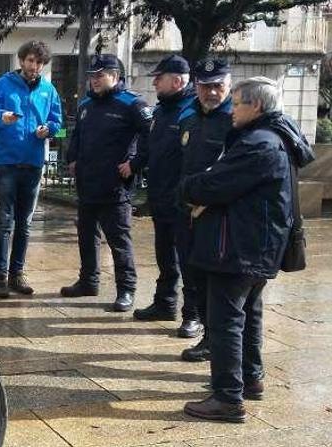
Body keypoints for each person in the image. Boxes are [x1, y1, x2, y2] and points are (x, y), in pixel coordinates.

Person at [181, 77, 314, 422]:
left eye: (237, 103)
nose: (232, 110)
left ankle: (227, 398)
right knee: (248, 313)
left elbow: (212, 185)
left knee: (225, 321)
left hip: (238, 247)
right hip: (255, 245)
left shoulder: (260, 143)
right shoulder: (273, 138)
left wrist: (189, 187)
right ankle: (251, 378)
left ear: (255, 106)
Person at [60, 54, 151, 312]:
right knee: (86, 236)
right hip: (88, 184)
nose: (94, 80)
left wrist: (135, 163)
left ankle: (126, 290)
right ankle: (89, 281)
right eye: (92, 76)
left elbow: (150, 134)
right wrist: (73, 158)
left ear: (115, 75)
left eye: (100, 75)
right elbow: (77, 134)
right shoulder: (87, 104)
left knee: (118, 241)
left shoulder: (131, 103)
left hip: (115, 186)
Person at [0, 40, 63, 298]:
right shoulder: (2, 84)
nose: (34, 66)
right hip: (6, 163)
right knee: (4, 221)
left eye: (39, 62)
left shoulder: (49, 90)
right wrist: (1, 119)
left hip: (33, 163)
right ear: (21, 60)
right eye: (30, 60)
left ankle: (18, 273)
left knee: (24, 224)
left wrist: (48, 129)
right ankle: (0, 276)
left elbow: (57, 121)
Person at [176, 58, 235, 361]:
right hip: (187, 210)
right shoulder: (190, 115)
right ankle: (203, 330)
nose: (211, 92)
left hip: (218, 215)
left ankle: (215, 340)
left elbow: (232, 171)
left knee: (216, 282)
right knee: (193, 273)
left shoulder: (237, 119)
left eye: (217, 86)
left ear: (228, 85)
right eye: (205, 86)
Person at [133, 55, 195, 323]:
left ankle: (192, 314)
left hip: (183, 201)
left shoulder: (192, 111)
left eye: (160, 77)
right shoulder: (160, 111)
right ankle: (165, 303)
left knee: (189, 261)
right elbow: (149, 148)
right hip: (160, 197)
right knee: (165, 256)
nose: (155, 82)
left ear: (178, 80)